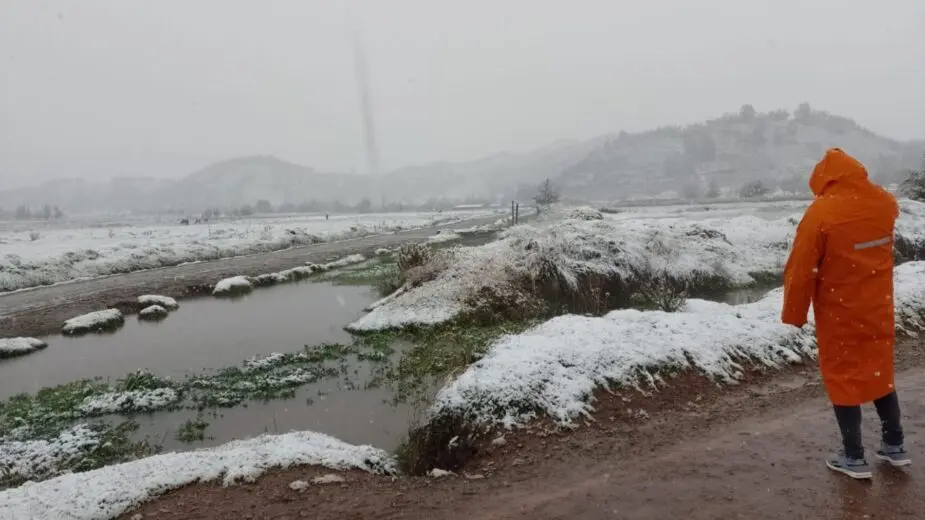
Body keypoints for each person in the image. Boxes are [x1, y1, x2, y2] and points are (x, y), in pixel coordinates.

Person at [782, 147, 910, 480]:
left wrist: (794, 314)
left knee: (843, 379)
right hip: (877, 306)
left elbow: (800, 269)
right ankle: (894, 445)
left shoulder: (821, 213)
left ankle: (854, 457)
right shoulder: (883, 203)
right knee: (879, 373)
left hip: (840, 312)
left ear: (824, 178)